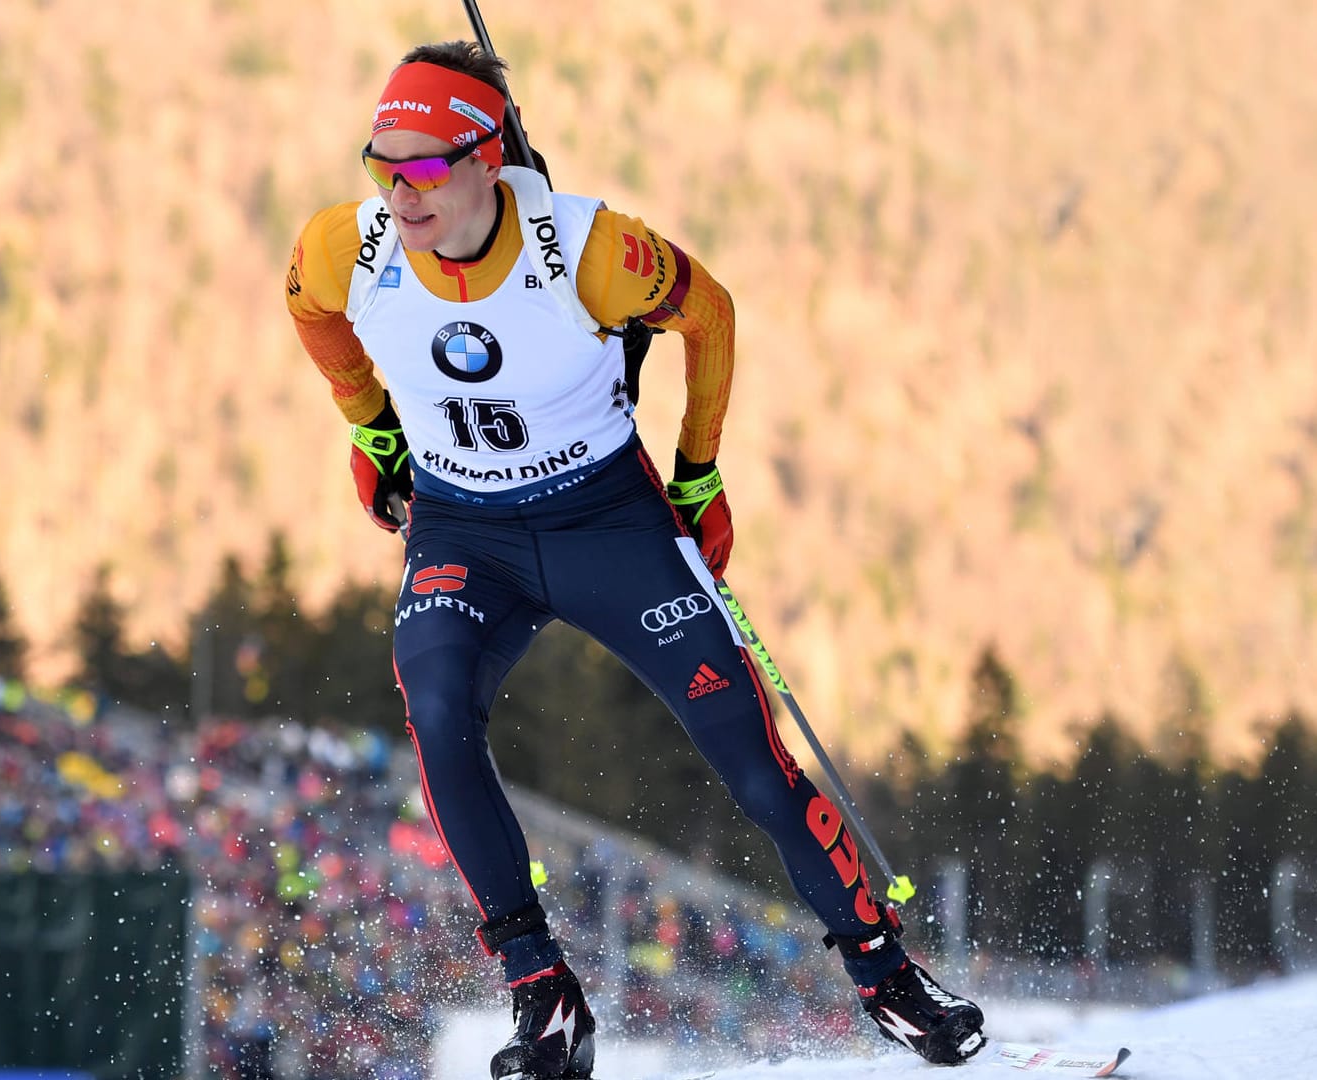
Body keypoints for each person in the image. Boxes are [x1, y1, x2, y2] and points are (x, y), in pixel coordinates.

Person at [286, 40, 985, 1078]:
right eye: (380, 164)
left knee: (751, 759)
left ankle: (885, 974)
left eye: (426, 167)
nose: (400, 190)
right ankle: (542, 993)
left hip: (606, 522)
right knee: (435, 711)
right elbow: (310, 310)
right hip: (463, 532)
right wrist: (371, 429)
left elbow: (711, 314)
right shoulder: (355, 245)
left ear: (488, 157)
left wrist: (698, 471)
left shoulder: (592, 252)